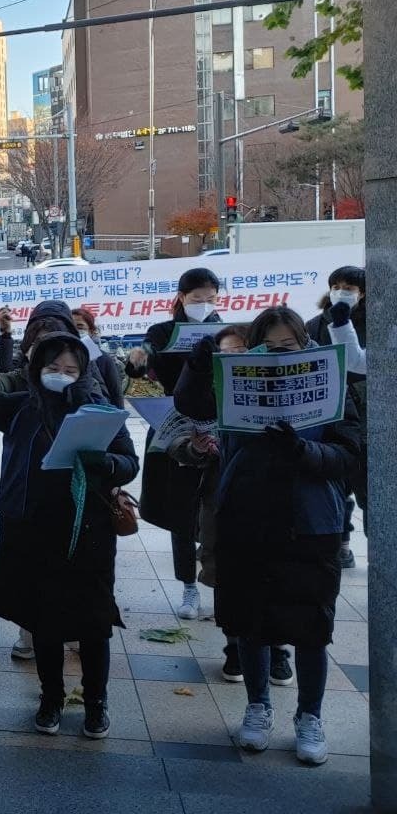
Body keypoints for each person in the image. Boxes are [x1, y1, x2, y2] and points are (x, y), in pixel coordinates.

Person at [173, 307, 361, 765]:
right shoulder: (236, 382)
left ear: (304, 346)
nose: (277, 356)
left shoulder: (330, 381)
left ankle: (309, 716)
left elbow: (348, 453)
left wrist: (302, 450)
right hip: (246, 518)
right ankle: (258, 707)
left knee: (312, 625)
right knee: (250, 620)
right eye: (267, 347)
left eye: (287, 347)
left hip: (312, 521)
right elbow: (192, 405)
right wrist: (198, 366)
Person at [0, 324, 139, 739]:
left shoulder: (100, 409)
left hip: (87, 532)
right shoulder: (22, 407)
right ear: (36, 369)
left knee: (93, 623)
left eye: (71, 370)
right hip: (31, 531)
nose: (61, 375)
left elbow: (129, 461)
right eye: (53, 367)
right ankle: (51, 697)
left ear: (84, 372)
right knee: (44, 620)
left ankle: (96, 702)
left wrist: (107, 464)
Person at [125, 267, 222, 621]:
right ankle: (188, 586)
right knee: (181, 509)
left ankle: (219, 581)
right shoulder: (163, 332)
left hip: (218, 429)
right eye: (197, 298)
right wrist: (137, 359)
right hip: (177, 428)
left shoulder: (224, 332)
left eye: (211, 298)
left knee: (217, 506)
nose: (204, 304)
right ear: (181, 297)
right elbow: (142, 363)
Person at [169, 324, 248, 684]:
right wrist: (196, 448)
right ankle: (234, 646)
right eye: (226, 354)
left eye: (242, 352)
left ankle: (277, 650)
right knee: (226, 573)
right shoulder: (205, 395)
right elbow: (176, 441)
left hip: (272, 502)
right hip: (220, 500)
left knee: (272, 575)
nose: (234, 360)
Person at [304, 265, 366, 568]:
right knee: (335, 485)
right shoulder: (314, 325)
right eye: (336, 286)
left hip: (366, 417)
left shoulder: (377, 322)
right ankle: (341, 545)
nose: (342, 292)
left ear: (363, 293)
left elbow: (357, 362)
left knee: (370, 490)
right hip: (329, 414)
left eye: (350, 288)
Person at [71, 308, 125, 409]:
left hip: (98, 412)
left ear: (91, 331)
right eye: (70, 327)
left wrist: (119, 417)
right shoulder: (60, 357)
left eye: (80, 327)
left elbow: (116, 393)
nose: (74, 331)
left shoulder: (103, 358)